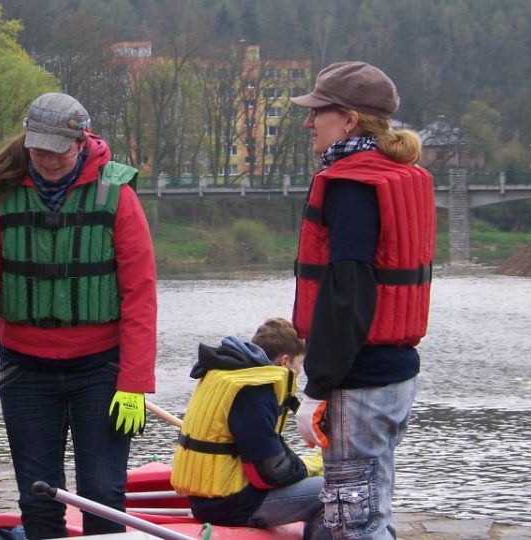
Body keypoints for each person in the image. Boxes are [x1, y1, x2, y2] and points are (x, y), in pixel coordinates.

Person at [0, 92, 157, 539]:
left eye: (56, 149)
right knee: (39, 500)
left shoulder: (116, 194)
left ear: (81, 142)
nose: (45, 158)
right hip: (26, 373)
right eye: (37, 147)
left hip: (100, 371)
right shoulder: (3, 196)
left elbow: (140, 295)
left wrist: (135, 384)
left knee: (104, 497)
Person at [289, 61, 436, 539]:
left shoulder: (352, 186)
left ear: (349, 120)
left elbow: (345, 292)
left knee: (354, 523)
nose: (308, 123)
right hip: (395, 375)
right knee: (372, 514)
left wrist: (317, 385)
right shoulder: (395, 175)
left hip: (359, 383)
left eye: (318, 113)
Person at [171, 318, 329, 540]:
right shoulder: (255, 390)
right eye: (300, 363)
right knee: (337, 493)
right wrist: (314, 466)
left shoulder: (227, 373)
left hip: (209, 499)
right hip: (232, 505)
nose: (300, 371)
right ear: (285, 361)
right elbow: (272, 471)